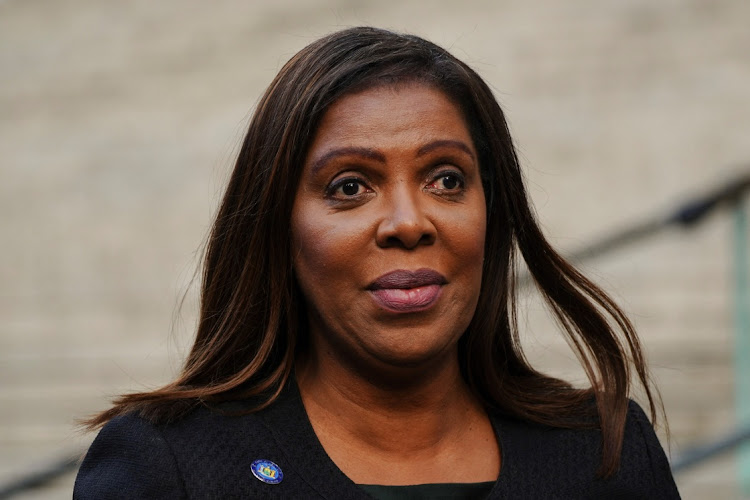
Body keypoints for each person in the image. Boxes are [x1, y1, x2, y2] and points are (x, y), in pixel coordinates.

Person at [74, 27, 680, 499]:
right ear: (279, 228)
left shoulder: (606, 452)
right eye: (349, 187)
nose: (409, 223)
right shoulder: (169, 467)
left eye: (446, 179)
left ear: (492, 215)